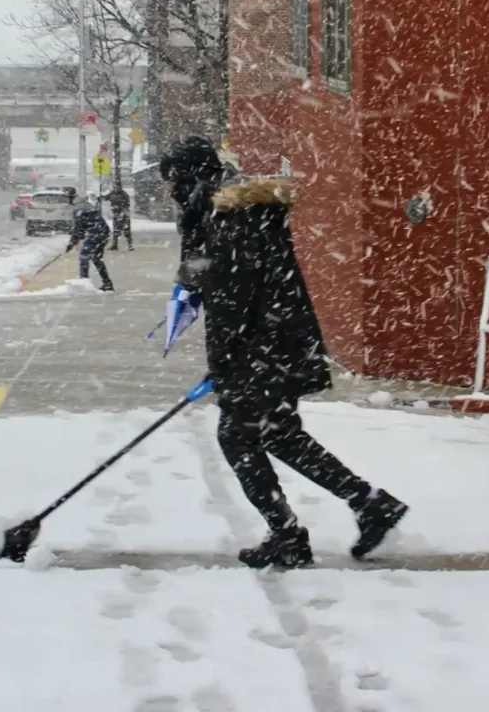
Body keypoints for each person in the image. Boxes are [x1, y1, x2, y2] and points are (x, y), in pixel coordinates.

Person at [160, 135, 408, 568]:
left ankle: (294, 532)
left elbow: (233, 300)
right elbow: (223, 286)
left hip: (262, 349)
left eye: (173, 180)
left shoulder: (227, 218)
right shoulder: (228, 214)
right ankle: (363, 506)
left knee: (240, 435)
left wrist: (225, 363)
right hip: (275, 346)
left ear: (192, 176)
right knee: (276, 434)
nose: (170, 191)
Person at [65, 187, 114, 292]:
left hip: (95, 233)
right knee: (97, 259)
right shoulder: (85, 204)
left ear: (70, 198)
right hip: (103, 232)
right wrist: (76, 239)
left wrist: (72, 243)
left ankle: (84, 285)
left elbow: (78, 229)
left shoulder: (78, 208)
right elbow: (82, 227)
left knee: (84, 257)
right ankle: (107, 283)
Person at [102, 184, 133, 251]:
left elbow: (126, 205)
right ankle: (114, 245)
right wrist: (100, 197)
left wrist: (120, 208)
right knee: (116, 230)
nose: (116, 189)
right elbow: (105, 198)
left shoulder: (124, 195)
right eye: (115, 187)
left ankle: (130, 245)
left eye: (118, 187)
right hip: (116, 215)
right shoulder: (112, 193)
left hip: (124, 215)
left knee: (126, 230)